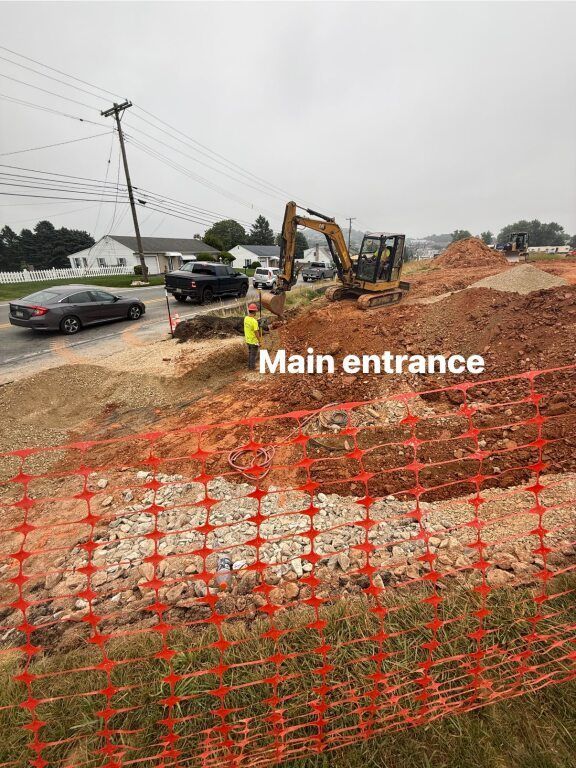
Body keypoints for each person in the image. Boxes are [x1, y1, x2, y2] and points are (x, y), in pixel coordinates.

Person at [244, 302, 261, 370]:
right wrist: (260, 341)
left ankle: (249, 366)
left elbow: (250, 322)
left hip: (248, 340)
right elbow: (256, 332)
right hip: (254, 341)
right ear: (255, 311)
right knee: (253, 354)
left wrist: (257, 320)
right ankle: (252, 367)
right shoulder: (254, 322)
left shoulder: (246, 318)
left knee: (250, 353)